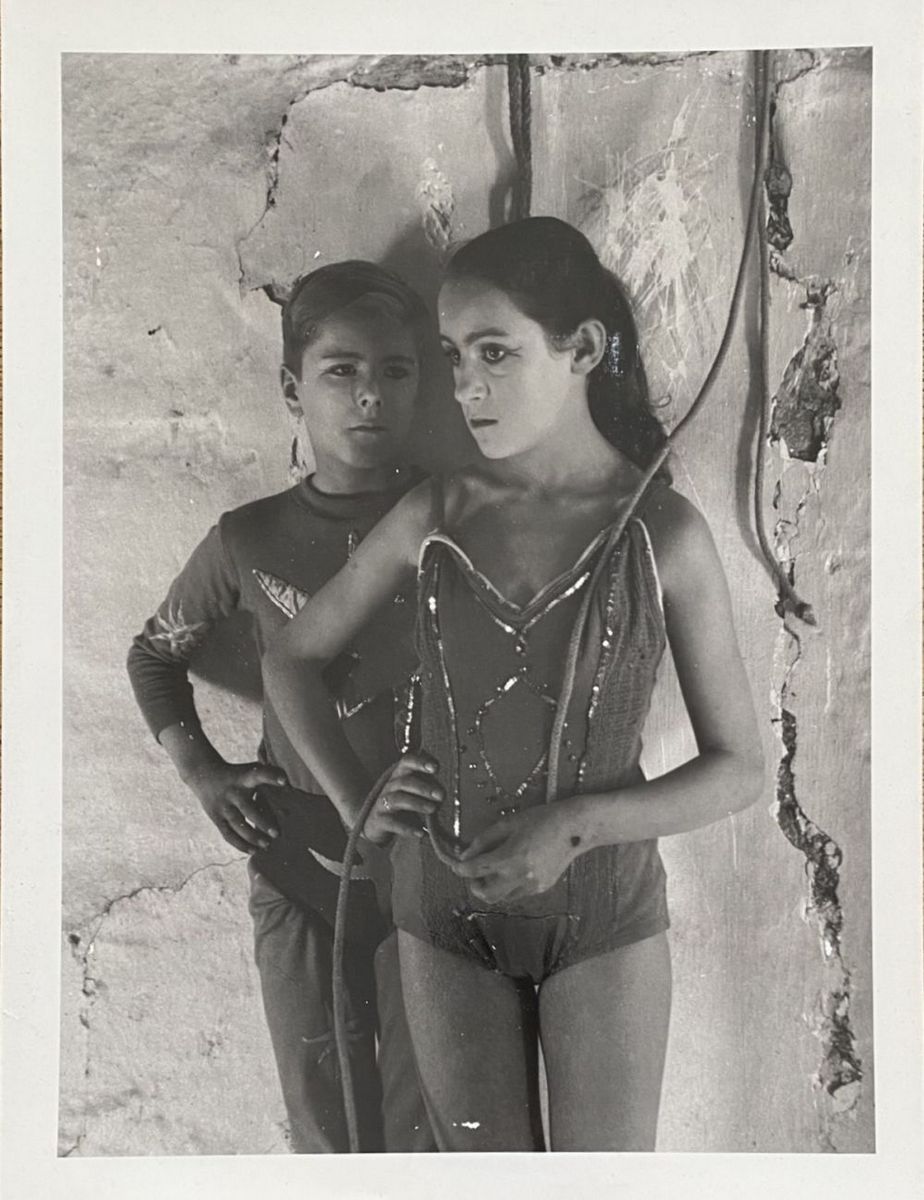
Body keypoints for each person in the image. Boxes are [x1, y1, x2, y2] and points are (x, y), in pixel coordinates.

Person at [264, 217, 765, 1152]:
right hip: (442, 916)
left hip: (604, 919)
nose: (466, 387)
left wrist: (575, 827)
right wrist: (357, 802)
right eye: (454, 357)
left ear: (584, 349)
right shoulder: (438, 513)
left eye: (495, 353)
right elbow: (288, 657)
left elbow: (741, 767)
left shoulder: (666, 533)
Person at [127, 261, 435, 1153]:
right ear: (293, 390)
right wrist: (202, 771)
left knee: (432, 1128)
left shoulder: (450, 516)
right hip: (298, 859)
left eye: (396, 370)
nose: (369, 395)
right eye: (342, 371)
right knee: (325, 1122)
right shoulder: (249, 538)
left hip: (427, 862)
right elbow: (154, 656)